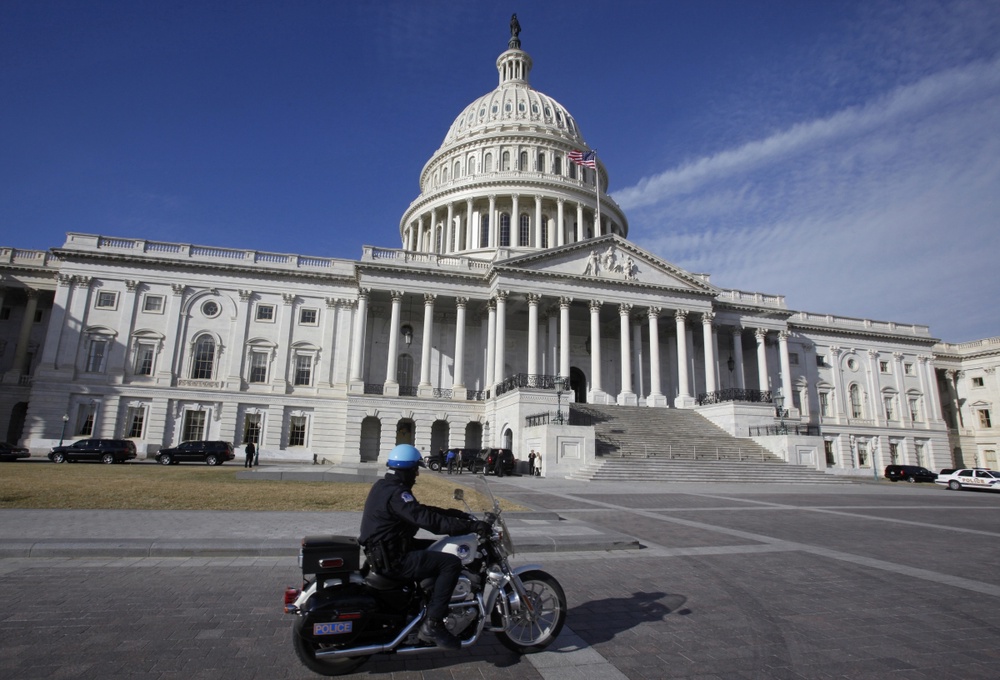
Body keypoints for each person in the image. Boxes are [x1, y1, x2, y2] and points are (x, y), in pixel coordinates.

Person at [358, 444, 489, 650]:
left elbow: (419, 510)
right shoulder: (398, 494)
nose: (417, 474)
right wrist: (471, 526)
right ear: (407, 470)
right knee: (451, 563)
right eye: (415, 469)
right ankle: (433, 624)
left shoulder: (385, 487)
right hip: (394, 558)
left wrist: (455, 514)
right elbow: (428, 521)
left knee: (438, 548)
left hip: (386, 550)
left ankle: (426, 602)